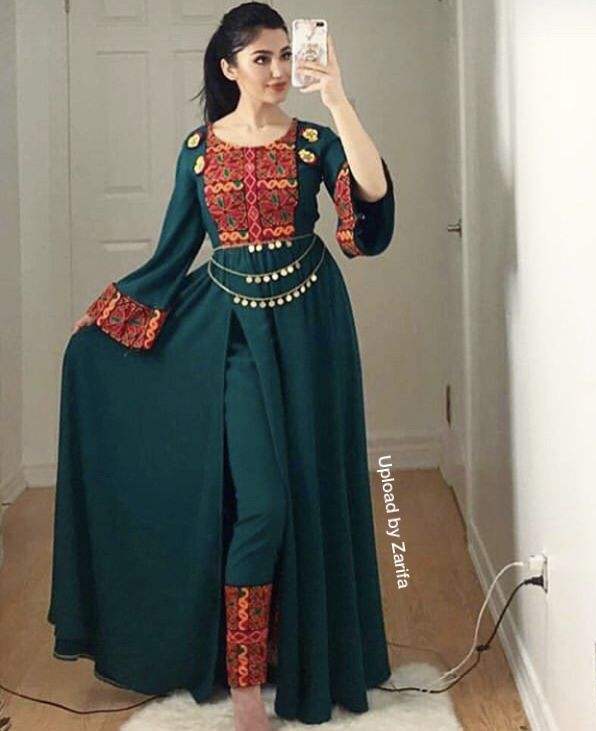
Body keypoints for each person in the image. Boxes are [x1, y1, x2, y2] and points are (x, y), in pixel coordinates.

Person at [47, 2, 395, 728]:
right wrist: (108, 316)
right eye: (261, 58)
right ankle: (242, 679)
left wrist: (337, 97)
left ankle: (303, 654)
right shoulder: (199, 150)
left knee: (310, 489)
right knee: (262, 501)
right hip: (231, 333)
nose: (277, 70)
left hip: (312, 329)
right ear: (229, 67)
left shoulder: (315, 143)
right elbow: (173, 251)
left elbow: (371, 203)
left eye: (284, 55)